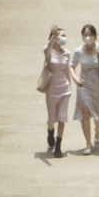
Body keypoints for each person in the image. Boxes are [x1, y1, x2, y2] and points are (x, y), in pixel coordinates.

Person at [38, 27, 76, 157]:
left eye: (65, 36)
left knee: (62, 118)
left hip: (64, 90)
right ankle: (50, 131)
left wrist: (70, 88)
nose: (64, 38)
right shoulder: (49, 52)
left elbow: (66, 72)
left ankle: (58, 146)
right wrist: (53, 38)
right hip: (52, 91)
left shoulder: (66, 53)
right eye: (61, 36)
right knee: (52, 119)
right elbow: (46, 50)